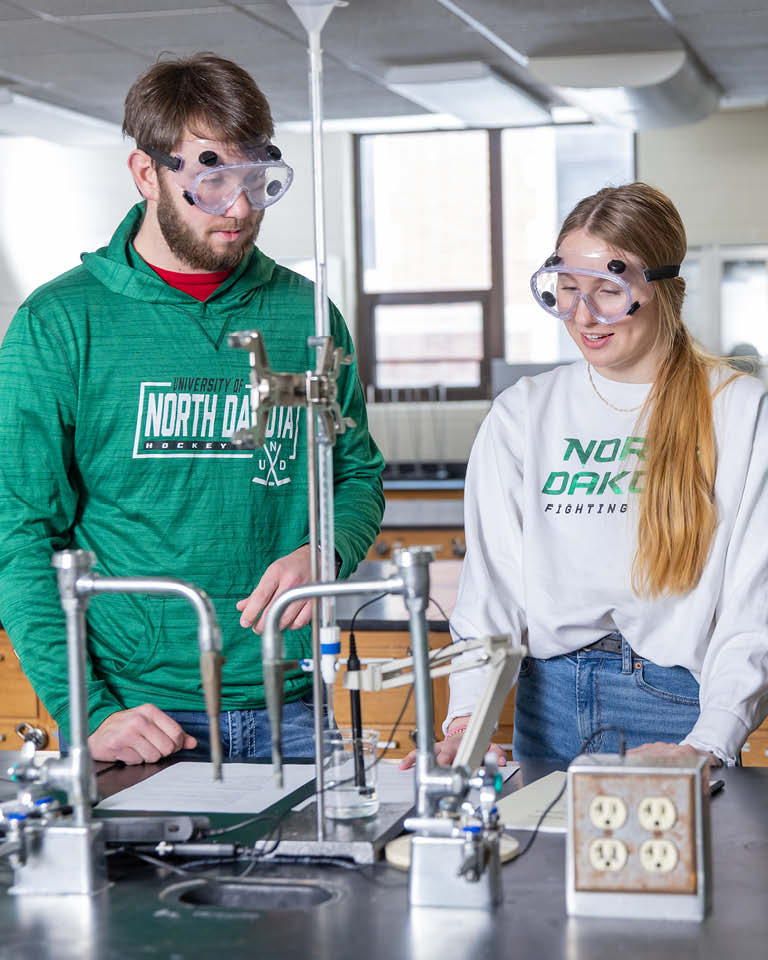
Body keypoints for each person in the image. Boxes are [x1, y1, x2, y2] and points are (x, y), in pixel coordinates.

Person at [0, 53, 384, 765]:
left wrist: (326, 549)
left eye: (254, 180)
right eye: (211, 181)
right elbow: (17, 537)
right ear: (147, 174)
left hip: (291, 702)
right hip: (138, 716)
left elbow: (356, 476)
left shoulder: (305, 313)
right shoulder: (59, 324)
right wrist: (89, 713)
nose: (240, 209)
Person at [403, 181, 768, 772]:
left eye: (609, 291)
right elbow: (490, 593)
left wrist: (709, 741)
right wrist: (467, 720)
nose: (584, 316)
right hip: (546, 700)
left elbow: (755, 607)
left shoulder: (739, 410)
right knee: (540, 865)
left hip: (677, 706)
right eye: (567, 291)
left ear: (666, 291)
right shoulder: (523, 412)